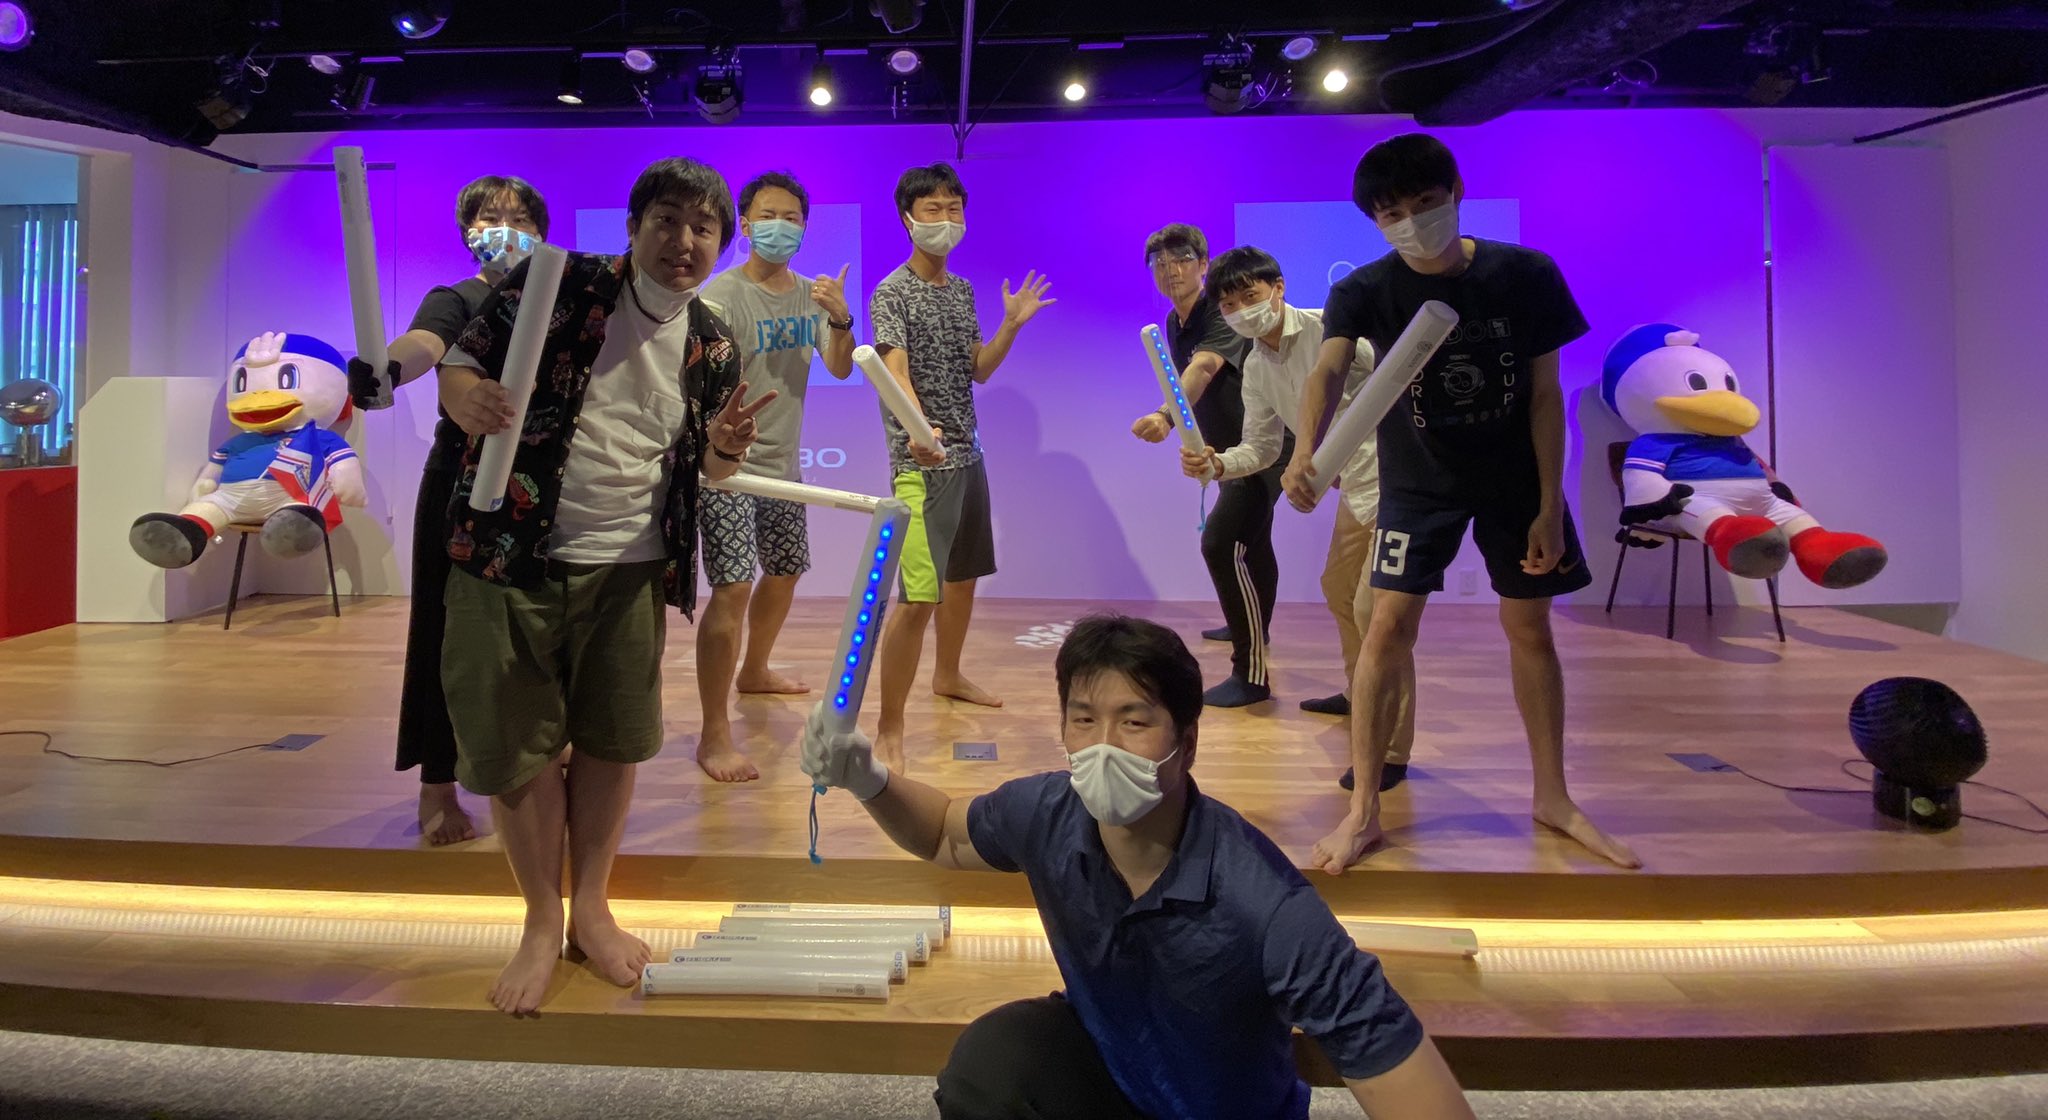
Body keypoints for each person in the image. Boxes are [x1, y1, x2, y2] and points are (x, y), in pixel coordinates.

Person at [803, 614, 1473, 1120]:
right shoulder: (1048, 813)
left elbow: (1400, 1069)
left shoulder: (1265, 904)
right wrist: (869, 778)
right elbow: (946, 834)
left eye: (1133, 723)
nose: (1103, 748)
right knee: (993, 1064)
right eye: (1083, 720)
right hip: (1116, 1076)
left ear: (1188, 741)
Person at [435, 157, 776, 1015]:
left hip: (630, 567)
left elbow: (708, 471)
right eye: (667, 220)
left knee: (613, 742)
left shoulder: (711, 341)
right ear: (633, 227)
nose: (684, 241)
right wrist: (465, 399)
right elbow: (460, 365)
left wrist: (725, 450)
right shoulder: (557, 285)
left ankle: (591, 906)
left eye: (703, 227)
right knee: (515, 746)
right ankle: (540, 919)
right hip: (509, 553)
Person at [1280, 133, 1639, 872]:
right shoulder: (1365, 289)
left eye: (1425, 202)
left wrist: (1549, 503)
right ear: (1375, 221)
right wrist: (1304, 452)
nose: (1412, 222)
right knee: (1385, 629)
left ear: (1457, 192)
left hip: (1515, 481)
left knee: (1530, 629)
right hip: (1418, 483)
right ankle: (1363, 811)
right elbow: (1327, 371)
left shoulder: (1524, 274)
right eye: (1392, 213)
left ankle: (1553, 797)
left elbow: (1545, 396)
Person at [346, 175, 550, 847]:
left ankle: (541, 763)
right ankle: (438, 782)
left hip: (544, 482)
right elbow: (423, 344)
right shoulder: (457, 298)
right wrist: (385, 369)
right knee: (444, 630)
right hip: (461, 484)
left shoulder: (562, 303)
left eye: (518, 218)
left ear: (542, 233)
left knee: (542, 631)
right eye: (489, 217)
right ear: (468, 234)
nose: (504, 228)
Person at [1182, 245, 1416, 789]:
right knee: (1340, 589)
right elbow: (1263, 447)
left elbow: (1399, 380)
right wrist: (1217, 464)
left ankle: (1390, 750)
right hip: (1354, 491)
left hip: (1395, 486)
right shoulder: (1256, 365)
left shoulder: (1329, 332)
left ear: (1278, 288)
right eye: (1230, 303)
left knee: (1378, 615)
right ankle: (1360, 691)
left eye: (1251, 295)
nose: (1242, 309)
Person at [868, 162, 1053, 773]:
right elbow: (894, 372)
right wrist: (920, 433)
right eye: (933, 209)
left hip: (970, 458)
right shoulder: (891, 291)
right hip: (919, 466)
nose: (945, 219)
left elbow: (980, 369)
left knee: (964, 578)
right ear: (908, 218)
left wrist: (1011, 326)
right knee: (916, 600)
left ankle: (947, 675)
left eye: (954, 208)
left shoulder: (964, 290)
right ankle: (889, 726)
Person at [692, 171, 856, 783]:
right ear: (745, 221)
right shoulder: (719, 296)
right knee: (732, 588)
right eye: (768, 215)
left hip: (785, 466)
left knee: (785, 571)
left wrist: (840, 319)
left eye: (792, 217)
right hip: (727, 470)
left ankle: (755, 670)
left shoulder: (812, 295)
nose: (780, 226)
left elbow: (839, 368)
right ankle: (714, 732)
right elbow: (699, 382)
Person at [1128, 224, 1291, 709]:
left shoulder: (1220, 314)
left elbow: (1201, 369)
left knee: (1221, 543)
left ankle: (1251, 675)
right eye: (1159, 262)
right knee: (1252, 542)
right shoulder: (1174, 321)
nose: (1170, 269)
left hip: (1261, 448)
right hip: (1227, 454)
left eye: (1181, 258)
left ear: (1203, 265)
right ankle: (1253, 626)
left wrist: (1164, 415)